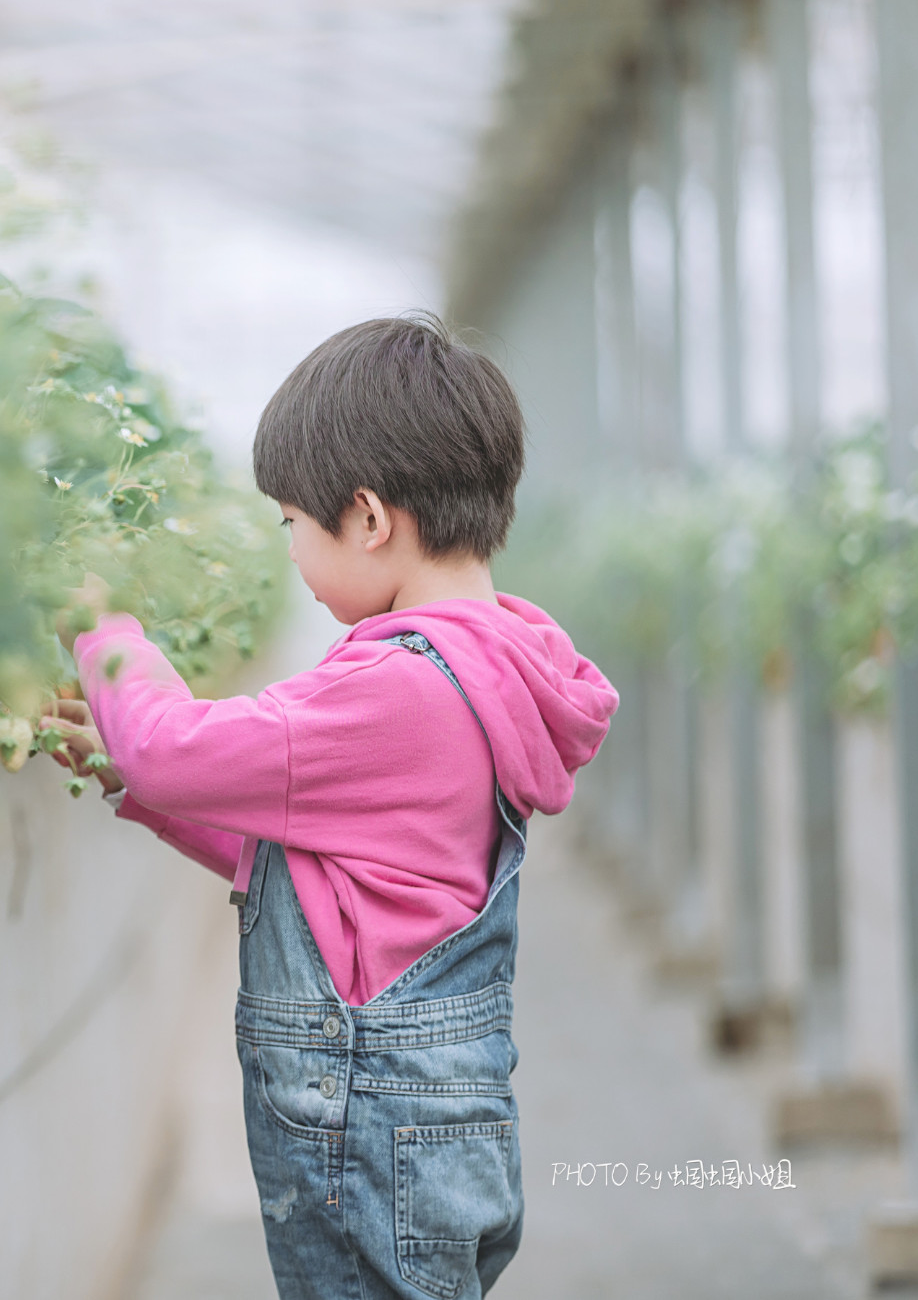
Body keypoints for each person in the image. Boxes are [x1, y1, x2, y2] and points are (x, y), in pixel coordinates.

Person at [48, 314, 616, 1300]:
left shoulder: (393, 687)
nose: (292, 560)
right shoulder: (483, 669)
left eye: (290, 526)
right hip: (430, 1126)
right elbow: (323, 868)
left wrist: (104, 626)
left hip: (366, 1129)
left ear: (364, 517)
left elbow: (171, 748)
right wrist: (129, 780)